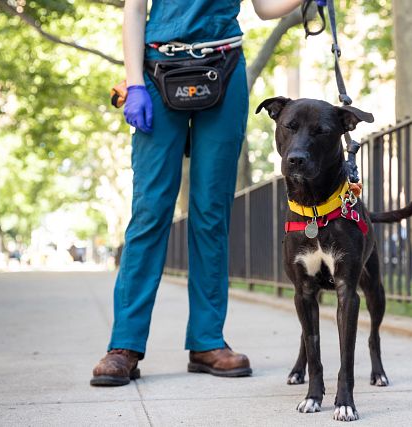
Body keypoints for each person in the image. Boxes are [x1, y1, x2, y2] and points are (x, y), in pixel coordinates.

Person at [91, 0, 304, 386]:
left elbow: (266, 7)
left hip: (224, 69)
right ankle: (124, 346)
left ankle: (208, 342)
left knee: (211, 214)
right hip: (157, 72)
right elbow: (136, 10)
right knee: (150, 212)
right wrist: (135, 83)